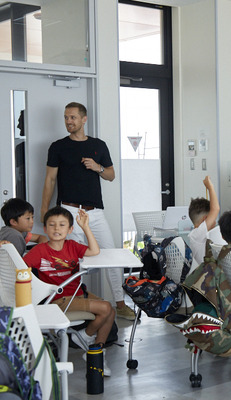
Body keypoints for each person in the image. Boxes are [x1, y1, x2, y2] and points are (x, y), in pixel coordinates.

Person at [40, 102, 135, 320]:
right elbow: (50, 179)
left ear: (84, 119)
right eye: (65, 118)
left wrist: (97, 167)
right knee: (74, 260)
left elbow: (111, 175)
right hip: (69, 211)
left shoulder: (99, 145)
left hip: (95, 212)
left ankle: (120, 303)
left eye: (72, 117)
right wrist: (46, 211)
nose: (68, 121)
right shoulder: (58, 146)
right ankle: (74, 302)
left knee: (110, 255)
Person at [24, 206, 115, 375]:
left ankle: (96, 351)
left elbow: (94, 251)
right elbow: (21, 268)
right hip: (57, 299)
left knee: (110, 311)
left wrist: (85, 227)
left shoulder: (72, 246)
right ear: (45, 228)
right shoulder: (39, 251)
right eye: (51, 225)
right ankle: (86, 338)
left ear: (70, 229)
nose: (56, 228)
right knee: (106, 308)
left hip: (77, 294)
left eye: (62, 225)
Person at [188, 176, 220, 265]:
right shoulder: (197, 234)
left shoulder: (197, 235)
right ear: (205, 219)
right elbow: (216, 209)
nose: (214, 222)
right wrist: (210, 187)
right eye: (213, 219)